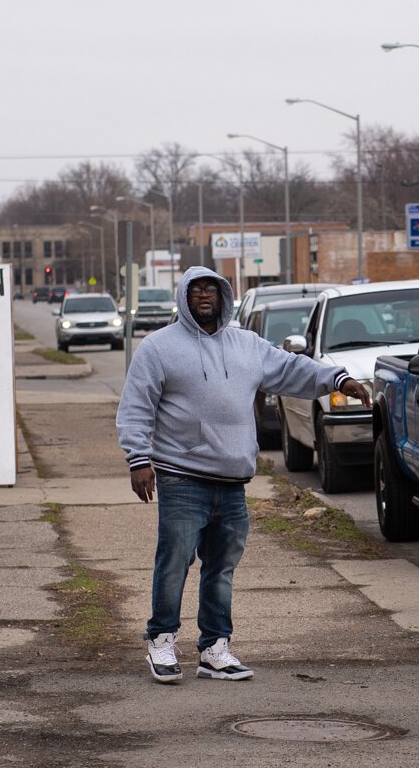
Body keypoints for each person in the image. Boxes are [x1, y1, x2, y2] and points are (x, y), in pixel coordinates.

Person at [116, 266, 368, 684]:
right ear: (183, 296)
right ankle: (161, 639)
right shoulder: (158, 348)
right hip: (182, 476)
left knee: (221, 566)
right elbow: (136, 406)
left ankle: (215, 648)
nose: (203, 296)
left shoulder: (247, 345)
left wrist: (337, 378)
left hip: (232, 480)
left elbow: (293, 370)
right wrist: (138, 459)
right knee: (175, 559)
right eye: (195, 290)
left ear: (224, 296)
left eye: (210, 289)